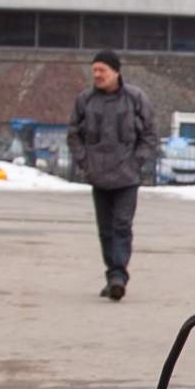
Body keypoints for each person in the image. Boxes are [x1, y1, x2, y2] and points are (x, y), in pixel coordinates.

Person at [68, 50, 159, 299]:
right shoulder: (85, 100)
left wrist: (136, 161)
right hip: (98, 177)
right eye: (94, 70)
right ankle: (113, 276)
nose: (96, 75)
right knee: (105, 229)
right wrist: (84, 162)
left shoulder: (135, 98)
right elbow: (73, 134)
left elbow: (150, 133)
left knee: (121, 226)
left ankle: (119, 275)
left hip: (126, 178)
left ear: (115, 72)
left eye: (101, 70)